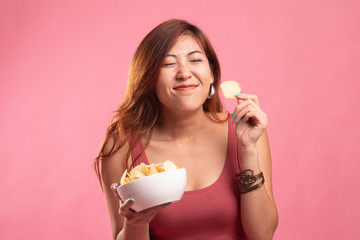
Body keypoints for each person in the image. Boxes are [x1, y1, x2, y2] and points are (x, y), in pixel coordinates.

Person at [94, 19, 278, 240]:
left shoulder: (246, 130)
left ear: (211, 74)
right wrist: (136, 223)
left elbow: (263, 235)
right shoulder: (122, 146)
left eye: (195, 60)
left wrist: (247, 150)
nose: (184, 73)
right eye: (168, 64)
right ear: (149, 79)